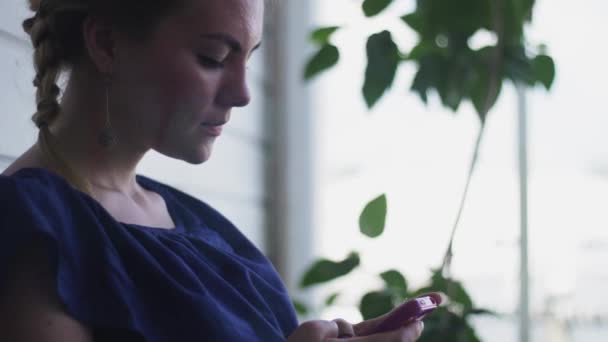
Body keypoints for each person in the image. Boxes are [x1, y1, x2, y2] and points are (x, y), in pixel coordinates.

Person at [0, 0, 433, 341]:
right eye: (214, 57)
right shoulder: (32, 226)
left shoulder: (198, 224)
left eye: (249, 58)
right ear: (107, 44)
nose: (243, 93)